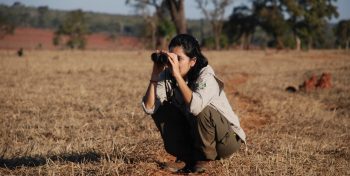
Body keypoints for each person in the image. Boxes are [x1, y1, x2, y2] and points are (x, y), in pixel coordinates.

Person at [141, 34, 246, 173]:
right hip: (197, 136)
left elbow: (196, 107)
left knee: (202, 110)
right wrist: (155, 75)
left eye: (180, 59)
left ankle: (204, 159)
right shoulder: (167, 75)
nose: (175, 63)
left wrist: (177, 76)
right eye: (172, 57)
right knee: (161, 109)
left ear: (193, 61)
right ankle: (187, 158)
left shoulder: (206, 76)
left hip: (226, 140)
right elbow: (149, 107)